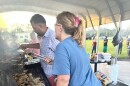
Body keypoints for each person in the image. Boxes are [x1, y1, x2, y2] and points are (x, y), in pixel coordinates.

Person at [53, 11, 101, 86]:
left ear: (60, 27)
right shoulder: (78, 44)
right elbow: (76, 66)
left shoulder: (62, 46)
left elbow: (63, 80)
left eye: (55, 25)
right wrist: (55, 62)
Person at [20, 14, 59, 85]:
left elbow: (63, 57)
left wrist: (53, 62)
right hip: (46, 73)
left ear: (40, 25)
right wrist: (27, 45)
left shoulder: (53, 37)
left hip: (53, 76)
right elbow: (41, 45)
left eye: (34, 28)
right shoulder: (44, 36)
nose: (34, 31)